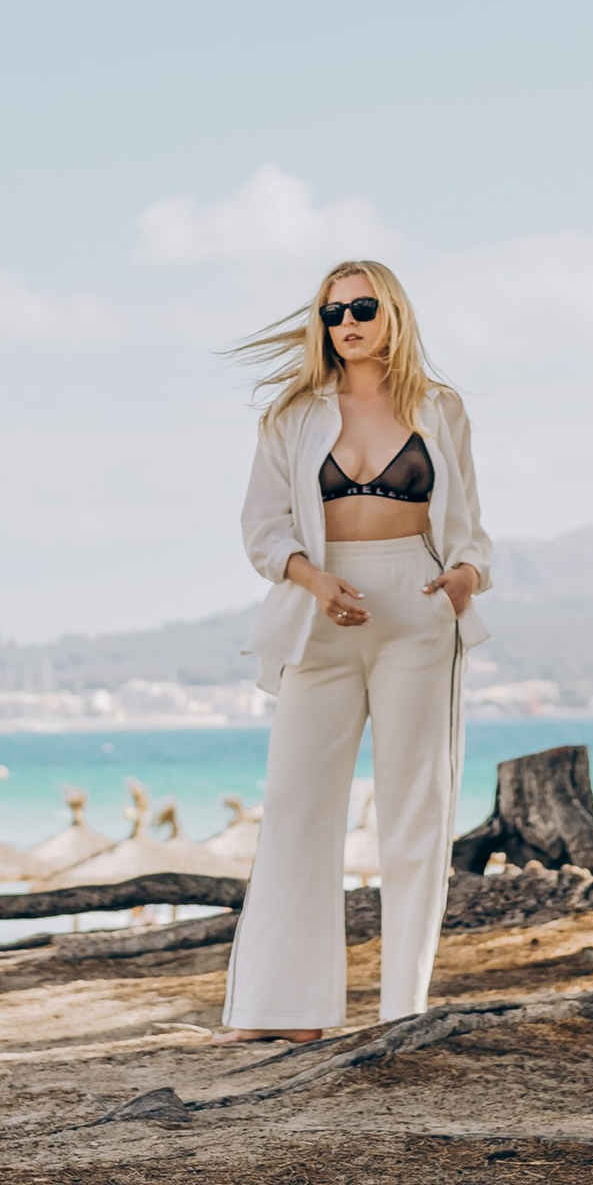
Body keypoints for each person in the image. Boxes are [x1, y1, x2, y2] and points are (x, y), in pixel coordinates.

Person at [221, 256, 491, 1040]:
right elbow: (263, 529)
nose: (347, 325)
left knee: (416, 812)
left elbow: (470, 528)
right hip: (322, 614)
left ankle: (402, 1009)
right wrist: (312, 578)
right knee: (299, 807)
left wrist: (468, 575)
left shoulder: (442, 410)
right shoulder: (292, 416)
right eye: (333, 313)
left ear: (393, 314)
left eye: (363, 308)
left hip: (417, 609)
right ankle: (283, 1010)